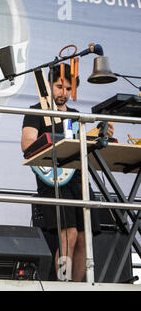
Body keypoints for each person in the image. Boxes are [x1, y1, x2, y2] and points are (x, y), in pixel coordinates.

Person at [21, 63, 114, 282]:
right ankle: (63, 284)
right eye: (59, 86)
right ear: (49, 85)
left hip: (79, 179)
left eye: (68, 88)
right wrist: (56, 143)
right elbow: (27, 145)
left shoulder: (76, 116)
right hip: (53, 180)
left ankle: (76, 285)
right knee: (68, 234)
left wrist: (103, 134)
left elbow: (86, 145)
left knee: (85, 237)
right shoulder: (36, 112)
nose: (63, 93)